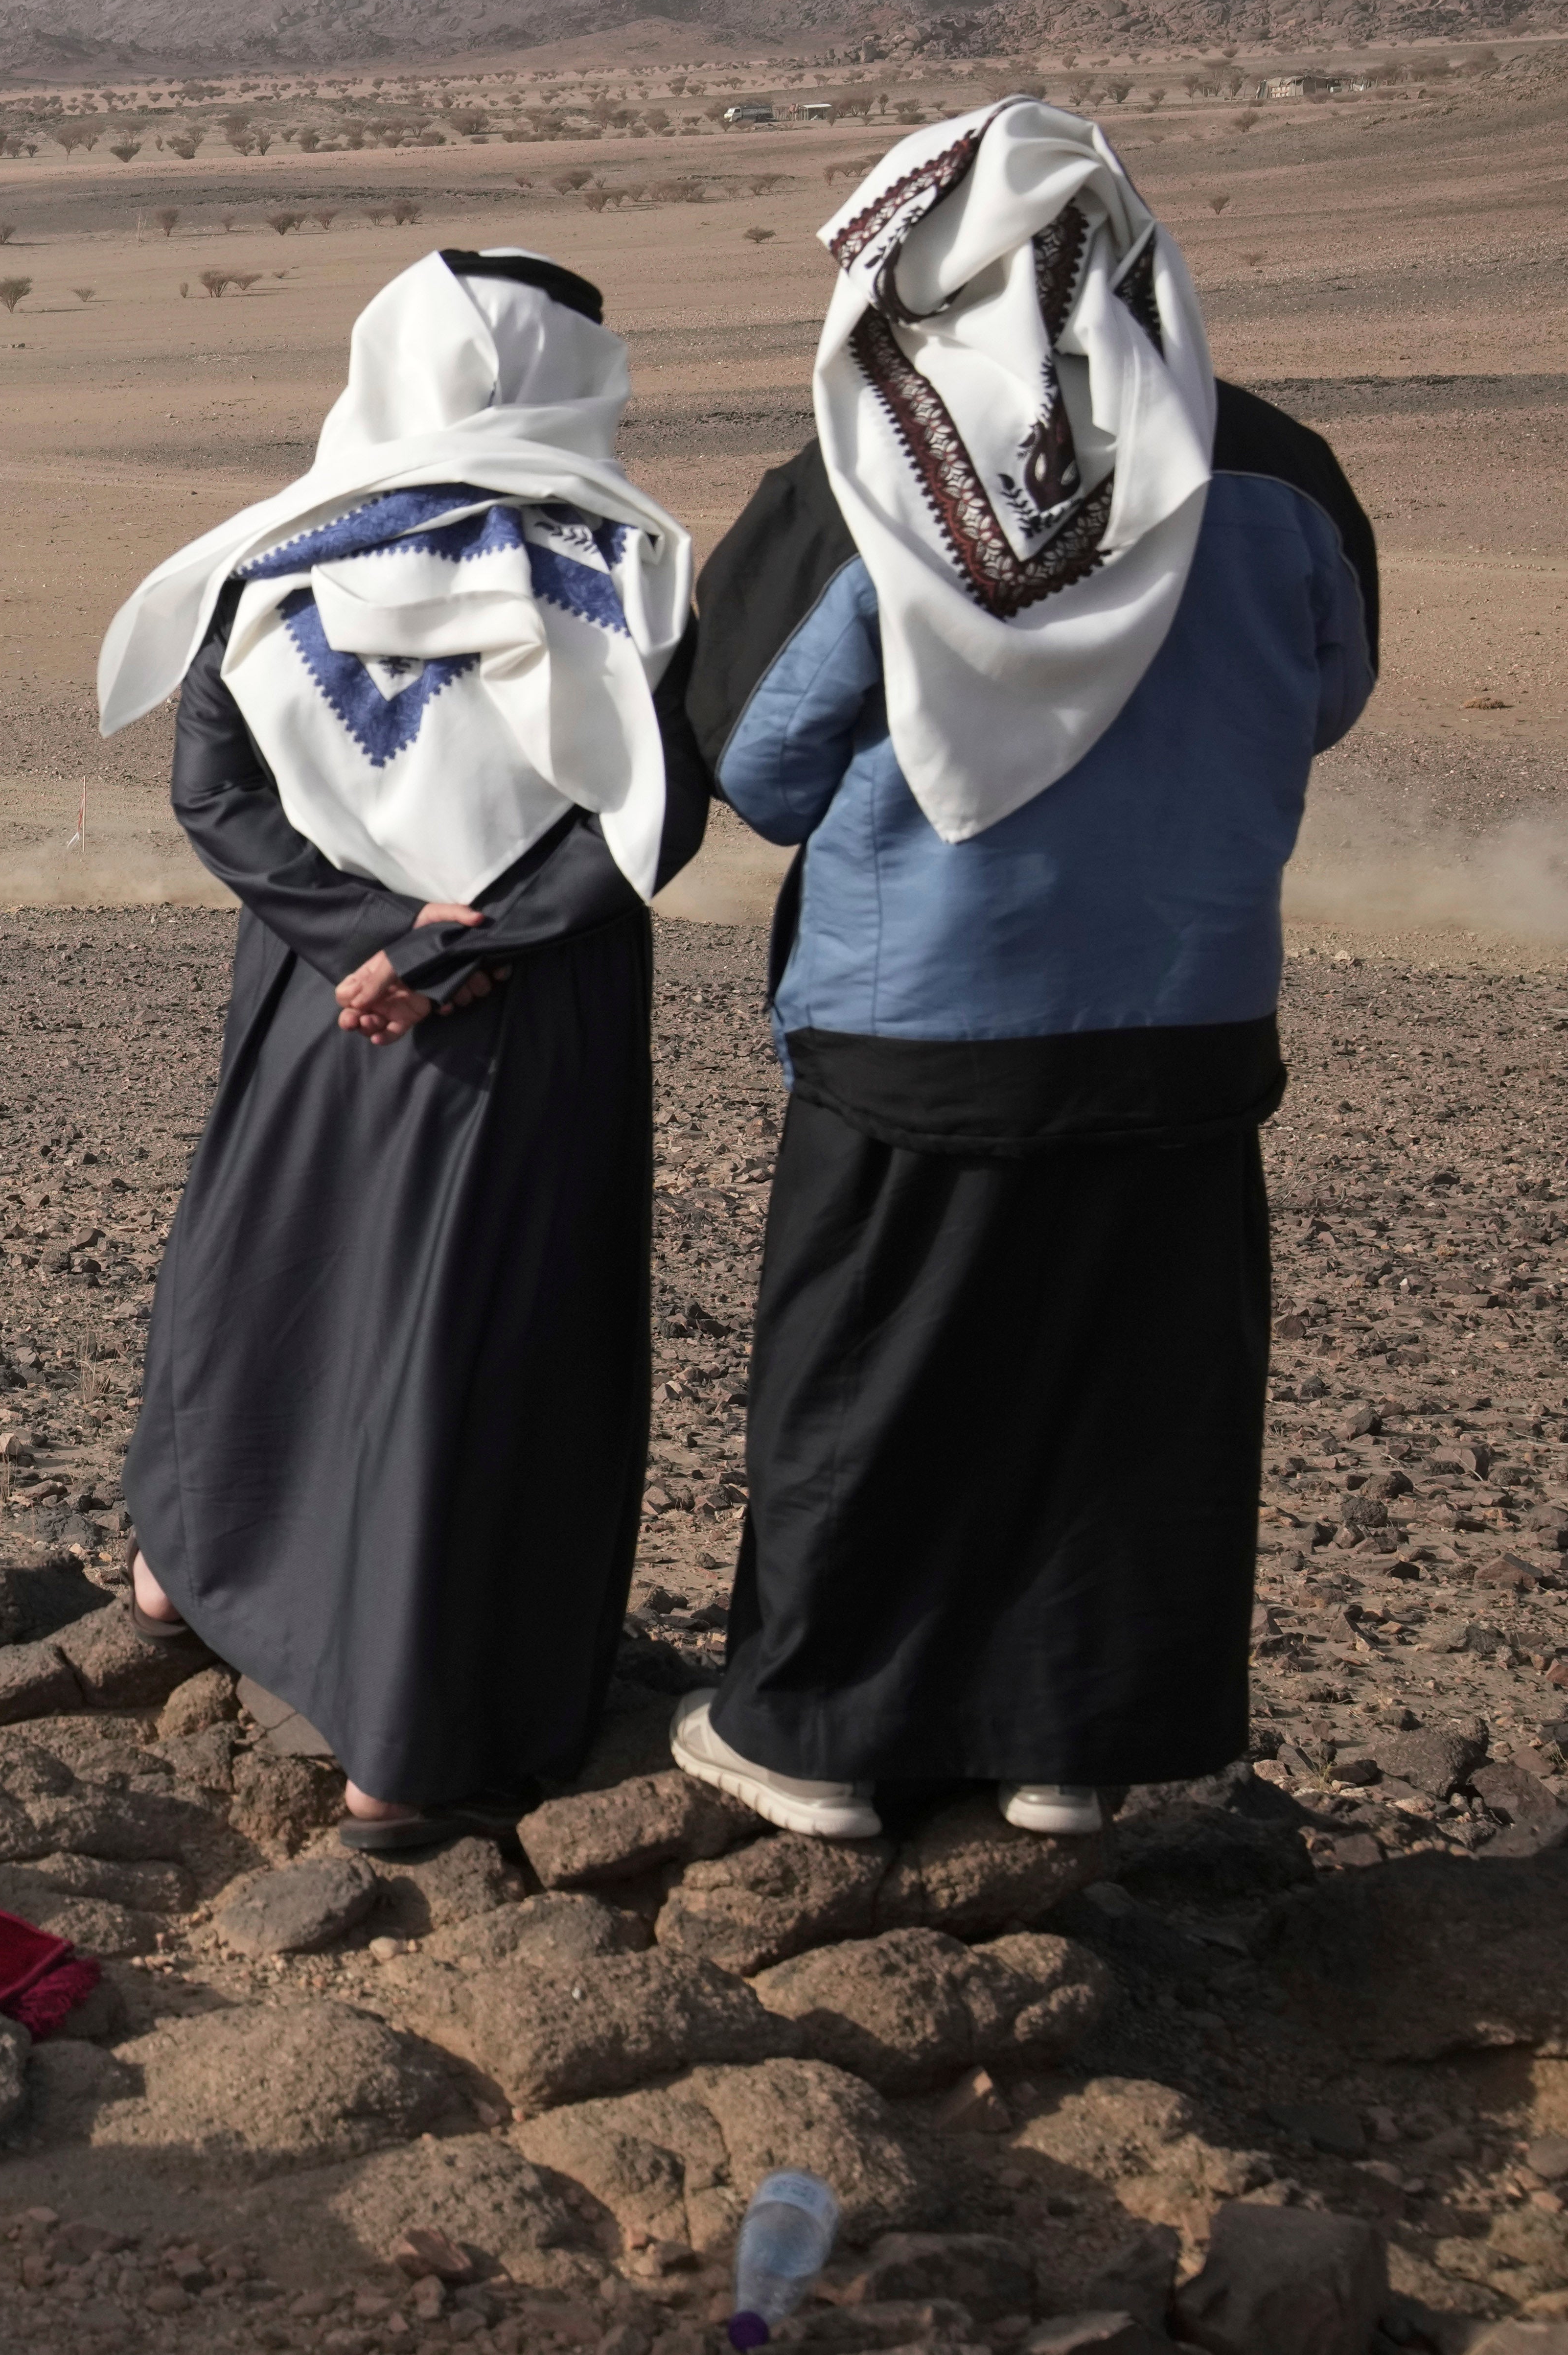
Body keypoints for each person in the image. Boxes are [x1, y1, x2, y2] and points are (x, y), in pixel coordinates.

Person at [675, 97, 1374, 1843]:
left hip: (924, 1020)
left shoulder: (859, 473)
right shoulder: (1273, 463)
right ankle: (1072, 1745)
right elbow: (1333, 687)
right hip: (1189, 1018)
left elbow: (749, 754)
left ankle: (821, 1736)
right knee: (1128, 1385)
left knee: (875, 1371)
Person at [92, 248, 703, 1853]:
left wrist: (369, 944)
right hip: (535, 1015)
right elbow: (658, 815)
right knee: (482, 1351)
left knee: (265, 1276)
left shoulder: (279, 560)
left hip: (322, 995)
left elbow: (216, 794)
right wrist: (464, 946)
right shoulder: (631, 579)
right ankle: (408, 1746)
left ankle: (183, 1571)